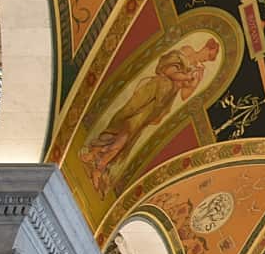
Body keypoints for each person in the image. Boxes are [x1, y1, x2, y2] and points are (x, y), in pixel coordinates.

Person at [80, 37, 221, 192]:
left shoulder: (198, 72)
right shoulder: (187, 50)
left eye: (210, 59)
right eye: (209, 56)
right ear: (206, 48)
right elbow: (167, 69)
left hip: (162, 102)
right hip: (153, 88)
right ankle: (95, 151)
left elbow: (185, 95)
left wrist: (193, 83)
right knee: (123, 115)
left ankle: (101, 163)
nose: (206, 60)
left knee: (132, 130)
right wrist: (187, 77)